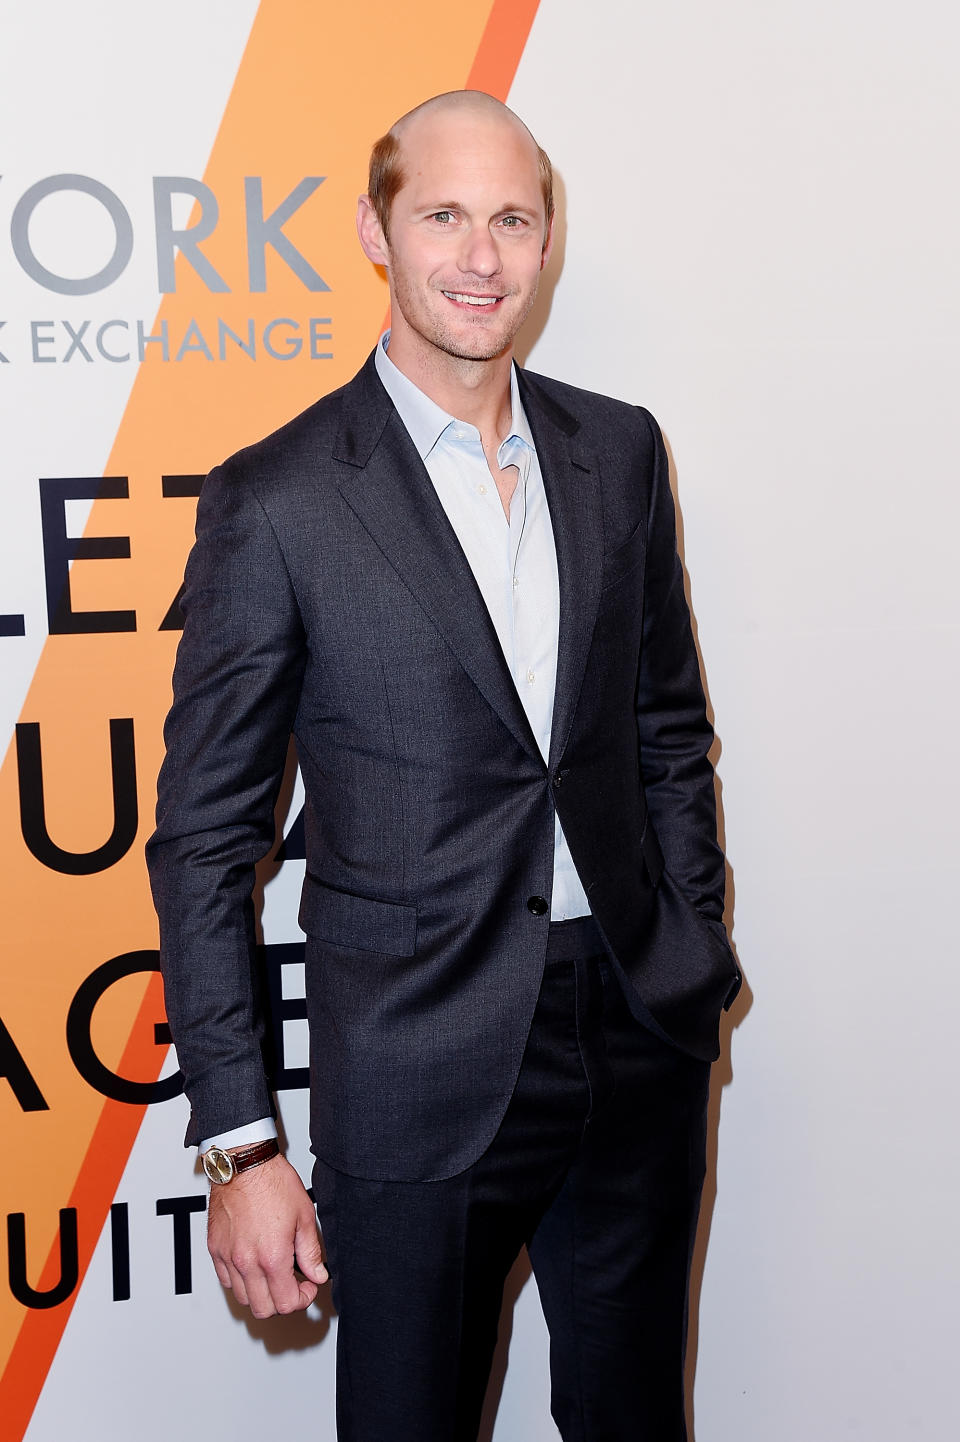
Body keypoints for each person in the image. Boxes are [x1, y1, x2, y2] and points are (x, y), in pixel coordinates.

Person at [147, 89, 741, 1442]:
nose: (482, 257)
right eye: (445, 217)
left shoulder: (620, 450)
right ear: (377, 230)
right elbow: (202, 840)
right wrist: (240, 1141)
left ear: (548, 240)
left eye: (514, 219)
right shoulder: (281, 497)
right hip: (417, 1063)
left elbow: (664, 726)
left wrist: (687, 950)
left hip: (635, 1033)